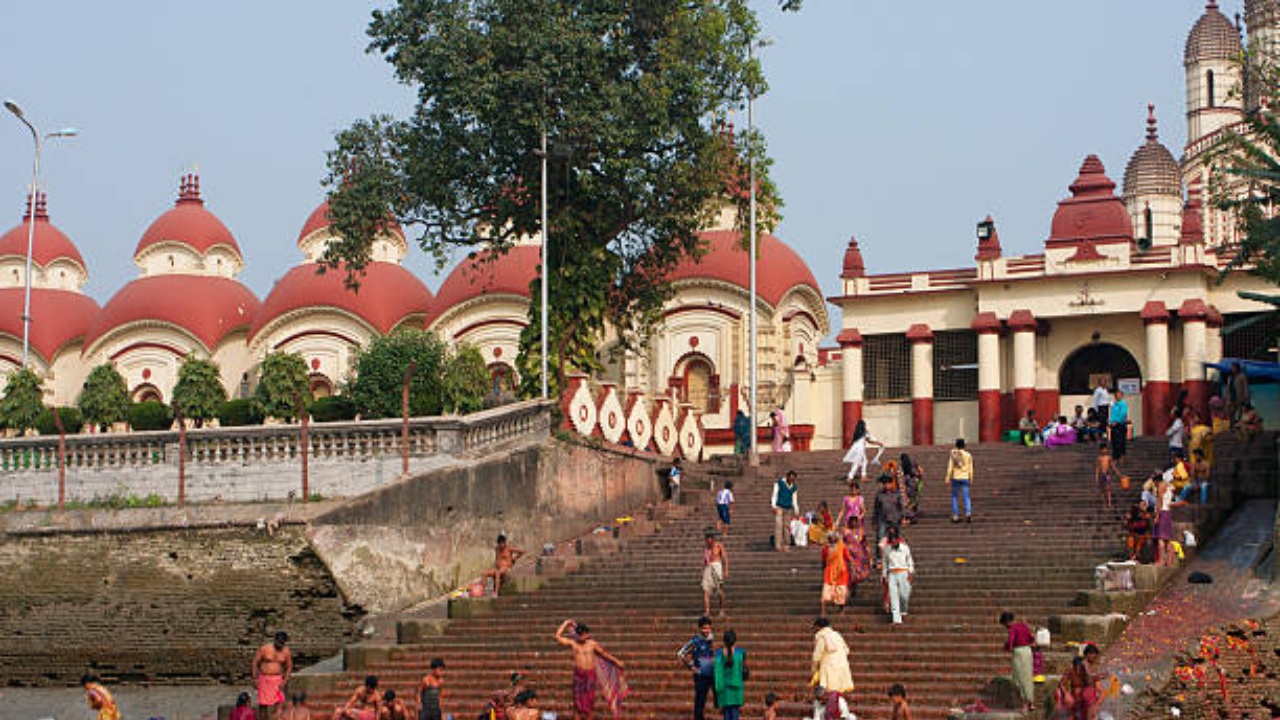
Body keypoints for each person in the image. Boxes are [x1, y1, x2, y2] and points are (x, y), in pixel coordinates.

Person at [555, 620, 627, 720]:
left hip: (590, 675)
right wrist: (566, 623)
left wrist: (617, 661)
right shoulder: (573, 643)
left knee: (590, 703)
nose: (582, 637)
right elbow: (557, 637)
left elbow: (604, 654)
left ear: (587, 634)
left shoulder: (592, 644)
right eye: (580, 635)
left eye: (584, 635)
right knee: (577, 704)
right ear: (577, 635)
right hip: (579, 675)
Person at [677, 617, 717, 720]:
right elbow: (681, 654)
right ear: (699, 629)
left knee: (719, 696)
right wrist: (691, 666)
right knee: (700, 700)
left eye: (708, 628)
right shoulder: (695, 641)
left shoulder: (711, 639)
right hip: (700, 675)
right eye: (704, 628)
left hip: (712, 674)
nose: (707, 631)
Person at [254, 631, 294, 719]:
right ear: (275, 640)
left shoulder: (286, 651)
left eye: (282, 643)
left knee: (279, 703)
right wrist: (255, 679)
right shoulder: (265, 648)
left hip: (278, 680)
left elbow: (289, 667)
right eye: (279, 642)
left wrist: (284, 681)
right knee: (263, 705)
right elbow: (255, 663)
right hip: (264, 679)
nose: (280, 644)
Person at [1000, 612, 1035, 711]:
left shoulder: (1013, 628)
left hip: (1019, 653)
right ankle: (1031, 703)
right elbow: (1031, 638)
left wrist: (1007, 647)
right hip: (1028, 651)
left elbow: (1011, 643)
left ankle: (1024, 704)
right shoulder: (1024, 625)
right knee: (1028, 677)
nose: (1006, 627)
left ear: (1007, 622)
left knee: (1019, 678)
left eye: (1005, 625)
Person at [811, 618, 854, 695]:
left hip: (828, 666)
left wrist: (814, 669)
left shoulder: (822, 636)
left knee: (826, 689)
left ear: (818, 627)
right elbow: (847, 650)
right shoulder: (837, 635)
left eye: (814, 627)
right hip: (842, 665)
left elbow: (817, 656)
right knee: (838, 690)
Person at [713, 629, 748, 720]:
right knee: (735, 714)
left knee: (726, 715)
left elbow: (717, 672)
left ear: (724, 641)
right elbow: (744, 670)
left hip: (723, 688)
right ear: (735, 641)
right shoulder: (741, 652)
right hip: (737, 688)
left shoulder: (719, 653)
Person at [881, 525, 914, 625]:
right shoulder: (887, 549)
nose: (894, 542)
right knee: (894, 595)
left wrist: (910, 572)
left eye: (895, 540)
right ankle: (896, 619)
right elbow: (885, 563)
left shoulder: (905, 548)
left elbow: (910, 560)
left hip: (903, 571)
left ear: (898, 540)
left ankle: (904, 609)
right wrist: (884, 575)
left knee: (904, 594)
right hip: (892, 573)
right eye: (892, 541)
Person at [872, 474, 905, 554]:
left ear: (891, 484)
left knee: (895, 539)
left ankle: (895, 556)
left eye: (888, 483)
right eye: (885, 484)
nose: (887, 485)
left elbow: (901, 507)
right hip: (882, 520)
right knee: (880, 539)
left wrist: (903, 518)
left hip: (894, 519)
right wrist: (874, 521)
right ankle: (879, 559)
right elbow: (876, 509)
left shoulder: (897, 494)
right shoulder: (879, 495)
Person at [821, 532, 852, 616]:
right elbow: (823, 560)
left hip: (841, 572)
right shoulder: (825, 548)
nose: (832, 540)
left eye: (834, 538)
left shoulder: (842, 546)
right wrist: (824, 569)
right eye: (830, 538)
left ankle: (841, 610)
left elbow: (848, 558)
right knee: (826, 591)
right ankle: (823, 612)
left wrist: (852, 569)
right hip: (829, 571)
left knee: (841, 591)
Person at [944, 438, 973, 524]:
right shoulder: (968, 455)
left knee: (955, 497)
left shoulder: (954, 454)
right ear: (964, 445)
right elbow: (971, 468)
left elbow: (950, 467)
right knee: (966, 497)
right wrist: (971, 478)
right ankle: (968, 513)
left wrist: (947, 478)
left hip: (956, 477)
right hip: (965, 477)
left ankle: (956, 515)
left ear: (956, 445)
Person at [702, 530, 728, 618]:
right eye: (706, 538)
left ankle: (721, 610)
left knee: (720, 590)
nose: (707, 540)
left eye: (709, 538)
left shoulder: (719, 545)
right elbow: (705, 560)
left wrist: (726, 570)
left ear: (712, 539)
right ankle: (707, 611)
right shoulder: (705, 547)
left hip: (717, 567)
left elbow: (724, 558)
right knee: (705, 590)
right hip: (708, 568)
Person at [771, 471, 800, 552]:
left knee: (787, 527)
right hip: (779, 506)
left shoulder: (794, 487)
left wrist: (796, 510)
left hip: (788, 508)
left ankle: (787, 544)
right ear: (787, 477)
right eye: (790, 478)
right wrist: (773, 505)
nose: (791, 480)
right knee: (778, 525)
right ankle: (778, 545)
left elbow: (795, 499)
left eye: (793, 479)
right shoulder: (779, 483)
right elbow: (774, 494)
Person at [1154, 472, 1175, 568]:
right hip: (1168, 512)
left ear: (1157, 481)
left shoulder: (1160, 487)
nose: (1154, 484)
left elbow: (1160, 502)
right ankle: (1169, 561)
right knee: (1168, 539)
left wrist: (1157, 516)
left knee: (1161, 539)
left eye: (1154, 482)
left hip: (1162, 512)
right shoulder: (1169, 485)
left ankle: (1162, 561)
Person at [901, 454, 924, 522]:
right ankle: (915, 511)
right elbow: (921, 470)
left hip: (908, 483)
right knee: (915, 497)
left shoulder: (903, 465)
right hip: (915, 482)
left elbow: (902, 475)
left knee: (909, 499)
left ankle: (911, 514)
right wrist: (920, 477)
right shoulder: (913, 462)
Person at [1109, 390, 1130, 466]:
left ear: (1121, 396)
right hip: (1113, 426)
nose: (1117, 396)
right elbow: (1112, 415)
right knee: (1114, 443)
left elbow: (1123, 414)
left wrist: (1117, 421)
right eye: (1116, 395)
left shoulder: (1123, 403)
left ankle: (1122, 459)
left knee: (1121, 442)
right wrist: (1111, 422)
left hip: (1120, 425)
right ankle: (1115, 458)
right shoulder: (1114, 405)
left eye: (1118, 395)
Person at [1093, 444, 1114, 510]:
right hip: (1102, 474)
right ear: (1100, 450)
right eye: (1103, 449)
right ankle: (1104, 503)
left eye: (1105, 449)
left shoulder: (1109, 457)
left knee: (1108, 489)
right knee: (1102, 490)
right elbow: (1098, 468)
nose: (1104, 450)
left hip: (1107, 474)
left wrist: (1119, 474)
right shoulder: (1099, 458)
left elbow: (1112, 466)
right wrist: (1096, 476)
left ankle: (1109, 503)